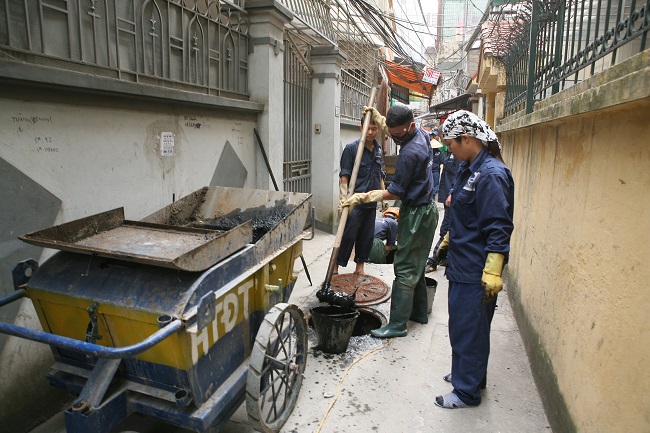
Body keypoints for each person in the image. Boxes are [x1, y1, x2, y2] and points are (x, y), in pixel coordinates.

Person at [432, 110, 514, 409]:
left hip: (476, 270)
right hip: (462, 262)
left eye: (450, 144)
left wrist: (493, 272)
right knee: (465, 327)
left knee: (470, 329)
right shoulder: (470, 169)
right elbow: (467, 215)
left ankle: (466, 392)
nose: (448, 150)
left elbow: (497, 226)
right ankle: (468, 375)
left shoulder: (491, 174)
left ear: (466, 139)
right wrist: (448, 240)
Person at [340, 104, 438, 338]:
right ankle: (419, 312)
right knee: (416, 262)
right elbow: (391, 127)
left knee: (404, 267)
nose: (394, 138)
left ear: (410, 126)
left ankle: (397, 325)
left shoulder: (409, 153)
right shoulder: (420, 133)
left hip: (416, 213)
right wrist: (378, 116)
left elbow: (394, 192)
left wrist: (363, 196)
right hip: (426, 209)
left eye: (398, 135)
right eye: (391, 134)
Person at [333, 118, 383, 276]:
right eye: (367, 128)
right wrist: (343, 198)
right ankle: (336, 267)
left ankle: (360, 268)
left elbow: (379, 173)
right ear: (361, 127)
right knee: (348, 234)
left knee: (366, 236)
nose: (370, 132)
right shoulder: (352, 148)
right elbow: (344, 175)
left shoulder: (378, 149)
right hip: (355, 202)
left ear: (378, 130)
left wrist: (383, 193)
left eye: (374, 129)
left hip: (371, 201)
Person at [425, 141, 461, 272]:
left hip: (455, 200)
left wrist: (452, 193)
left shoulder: (461, 158)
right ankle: (442, 258)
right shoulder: (451, 154)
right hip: (449, 199)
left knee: (446, 231)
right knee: (446, 230)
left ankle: (434, 260)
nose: (448, 146)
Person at [430, 130, 445, 200]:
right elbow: (442, 161)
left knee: (431, 183)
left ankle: (431, 194)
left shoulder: (429, 152)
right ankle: (433, 194)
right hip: (436, 170)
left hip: (430, 170)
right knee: (435, 184)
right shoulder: (440, 153)